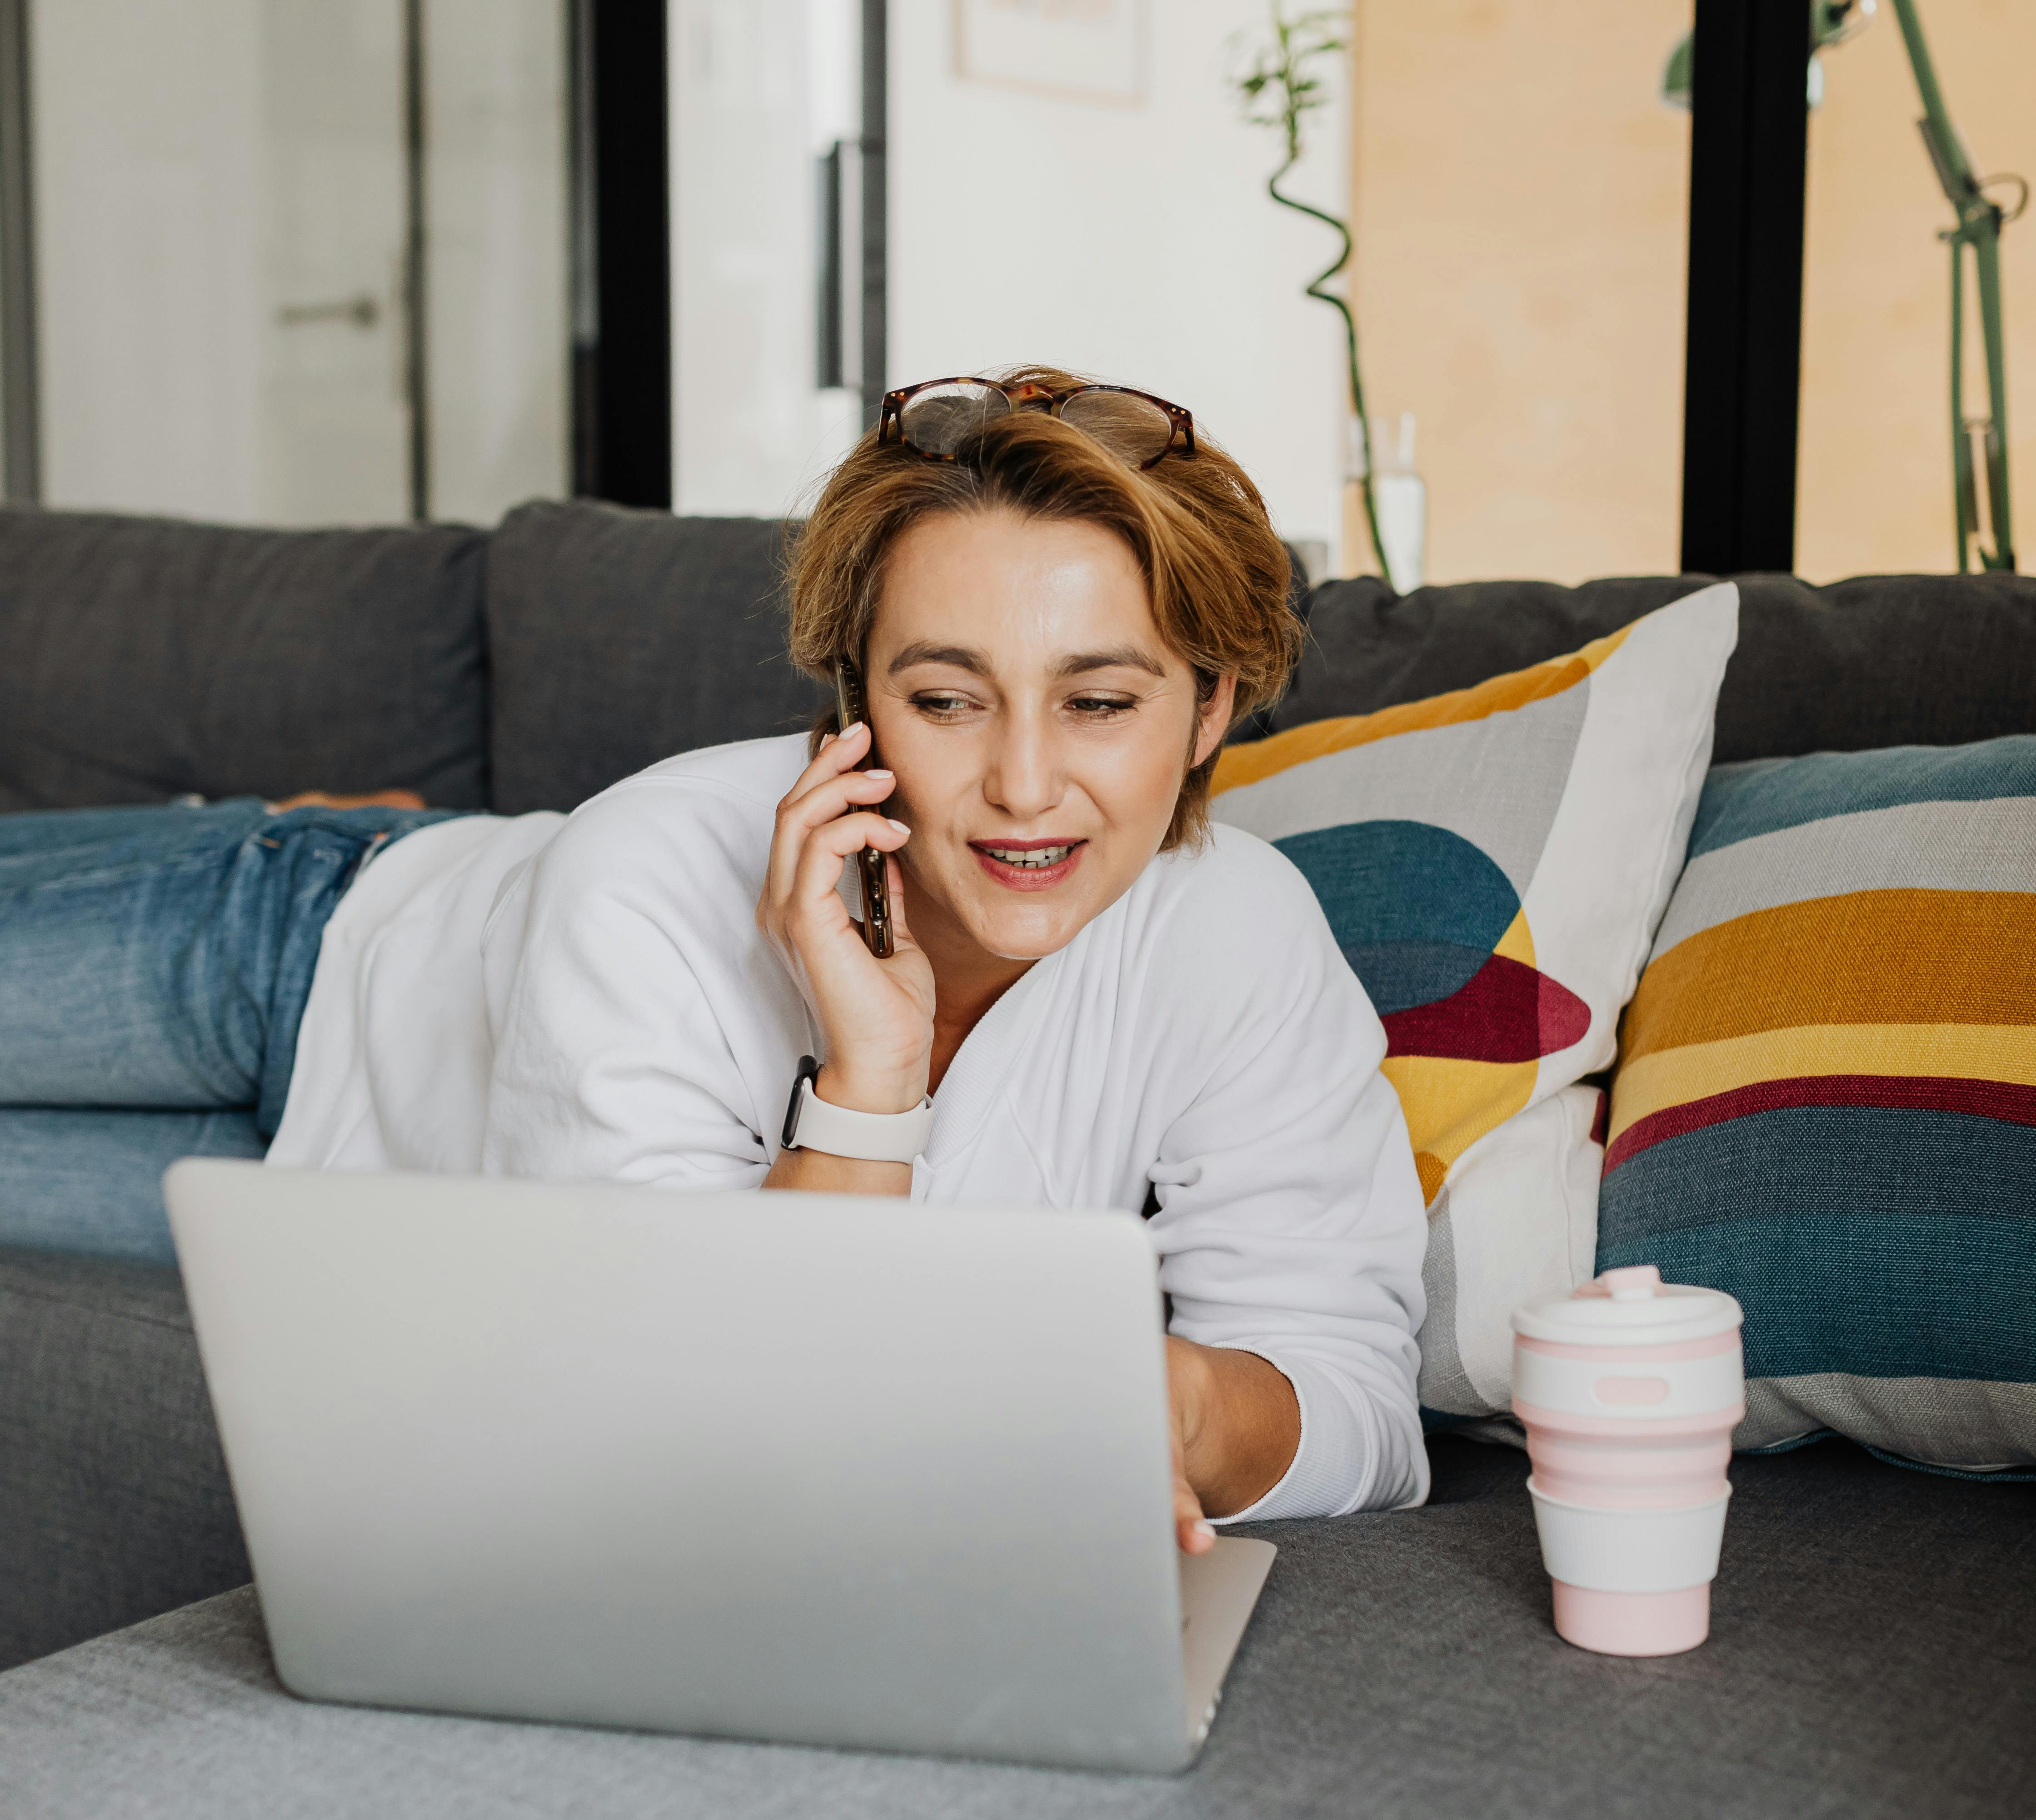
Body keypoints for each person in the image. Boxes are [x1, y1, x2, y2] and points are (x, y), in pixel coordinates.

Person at [0, 369, 1429, 1542]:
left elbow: (1360, 1401)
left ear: (1209, 711)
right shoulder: (650, 867)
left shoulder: (1239, 939)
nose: (1023, 784)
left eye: (1102, 701)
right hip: (303, 943)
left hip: (341, 1197)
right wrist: (865, 1090)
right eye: (946, 698)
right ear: (852, 703)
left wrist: (1173, 1409)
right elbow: (717, 1392)